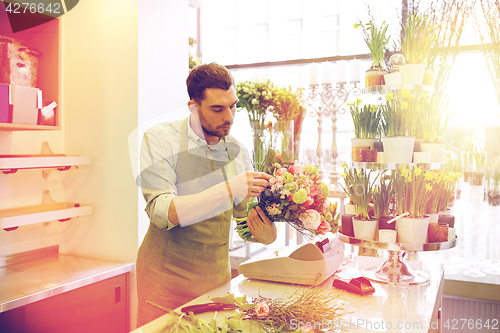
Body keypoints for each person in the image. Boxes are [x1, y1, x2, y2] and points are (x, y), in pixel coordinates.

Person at [136, 63, 277, 326]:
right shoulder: (159, 139)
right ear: (193, 106)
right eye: (217, 109)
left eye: (233, 105)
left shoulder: (238, 151)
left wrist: (265, 234)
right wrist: (228, 188)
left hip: (216, 280)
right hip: (165, 283)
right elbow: (163, 212)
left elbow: (244, 220)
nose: (230, 116)